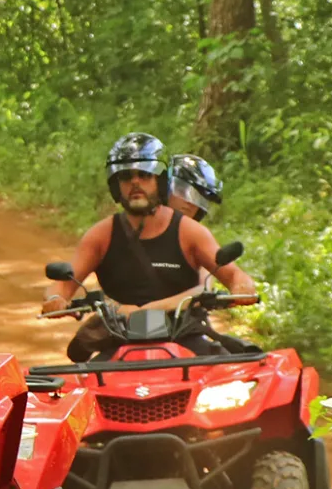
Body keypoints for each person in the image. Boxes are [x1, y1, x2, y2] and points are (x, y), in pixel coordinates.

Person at [43, 133, 254, 362]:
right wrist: (55, 299)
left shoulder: (189, 231)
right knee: (87, 390)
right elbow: (62, 285)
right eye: (125, 177)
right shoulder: (100, 236)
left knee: (237, 382)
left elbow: (233, 274)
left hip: (185, 337)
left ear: (161, 181)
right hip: (119, 339)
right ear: (116, 186)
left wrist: (242, 287)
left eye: (144, 175)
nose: (135, 183)